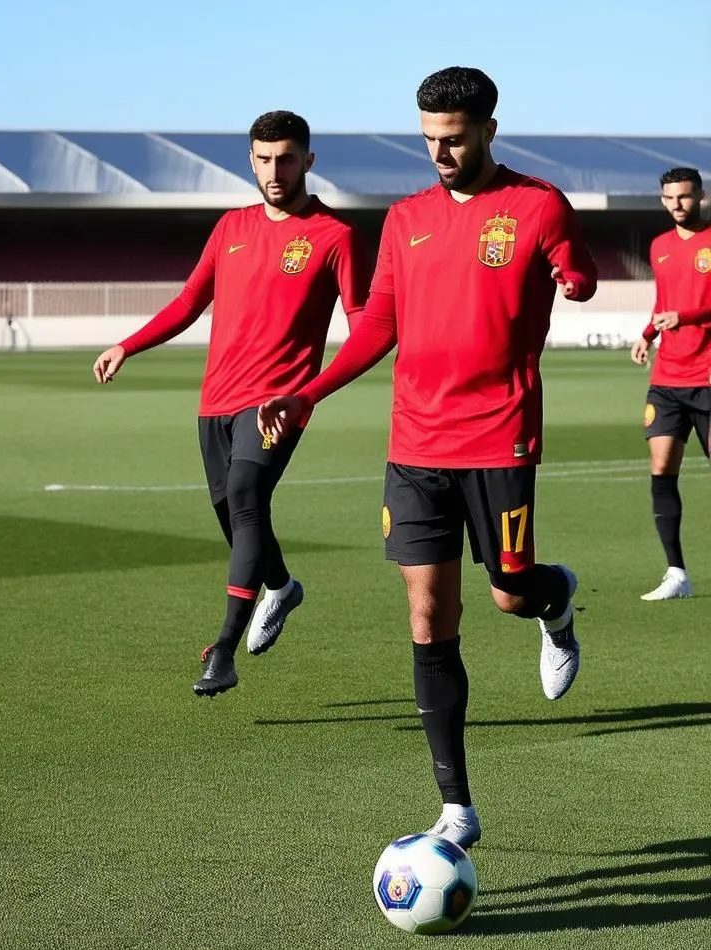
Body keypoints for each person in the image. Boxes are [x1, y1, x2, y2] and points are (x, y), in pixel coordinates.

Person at [256, 67, 597, 848]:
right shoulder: (406, 218)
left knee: (510, 592)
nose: (439, 154)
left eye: (452, 139)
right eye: (428, 141)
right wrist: (308, 393)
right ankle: (456, 806)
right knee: (427, 612)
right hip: (415, 443)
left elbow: (581, 271)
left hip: (499, 434)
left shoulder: (537, 204)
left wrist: (574, 280)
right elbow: (377, 328)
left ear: (486, 129)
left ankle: (557, 603)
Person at [92, 110, 370, 697]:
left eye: (287, 158)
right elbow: (191, 301)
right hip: (215, 399)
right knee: (232, 513)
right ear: (251, 160)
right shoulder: (230, 228)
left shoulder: (334, 237)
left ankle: (222, 649)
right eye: (265, 159)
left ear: (308, 161)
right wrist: (128, 344)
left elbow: (365, 326)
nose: (276, 170)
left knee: (246, 497)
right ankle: (282, 587)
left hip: (275, 403)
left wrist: (306, 394)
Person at [630, 167, 711, 601]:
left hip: (709, 376)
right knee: (662, 469)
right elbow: (664, 303)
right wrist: (647, 334)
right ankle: (677, 573)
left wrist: (688, 317)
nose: (676, 205)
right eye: (668, 198)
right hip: (668, 379)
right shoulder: (659, 246)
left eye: (683, 197)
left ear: (700, 195)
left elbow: (685, 309)